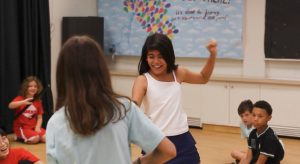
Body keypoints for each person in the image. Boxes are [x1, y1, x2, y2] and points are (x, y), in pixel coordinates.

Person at [46, 35, 176, 164]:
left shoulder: (55, 122)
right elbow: (168, 150)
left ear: (62, 75)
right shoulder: (124, 109)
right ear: (102, 69)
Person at [132, 33, 217, 163]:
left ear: (169, 56)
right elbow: (134, 107)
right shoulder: (143, 80)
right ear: (146, 58)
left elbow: (203, 78)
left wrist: (212, 55)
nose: (156, 62)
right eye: (151, 57)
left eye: (161, 57)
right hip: (156, 141)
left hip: (182, 139)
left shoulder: (178, 73)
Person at [8, 76, 46, 144]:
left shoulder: (38, 101)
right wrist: (23, 102)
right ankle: (20, 137)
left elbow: (40, 117)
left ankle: (29, 135)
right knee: (36, 139)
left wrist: (37, 127)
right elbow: (10, 106)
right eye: (30, 86)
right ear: (26, 88)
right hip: (22, 128)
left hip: (33, 127)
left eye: (35, 86)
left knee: (47, 138)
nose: (33, 88)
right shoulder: (20, 98)